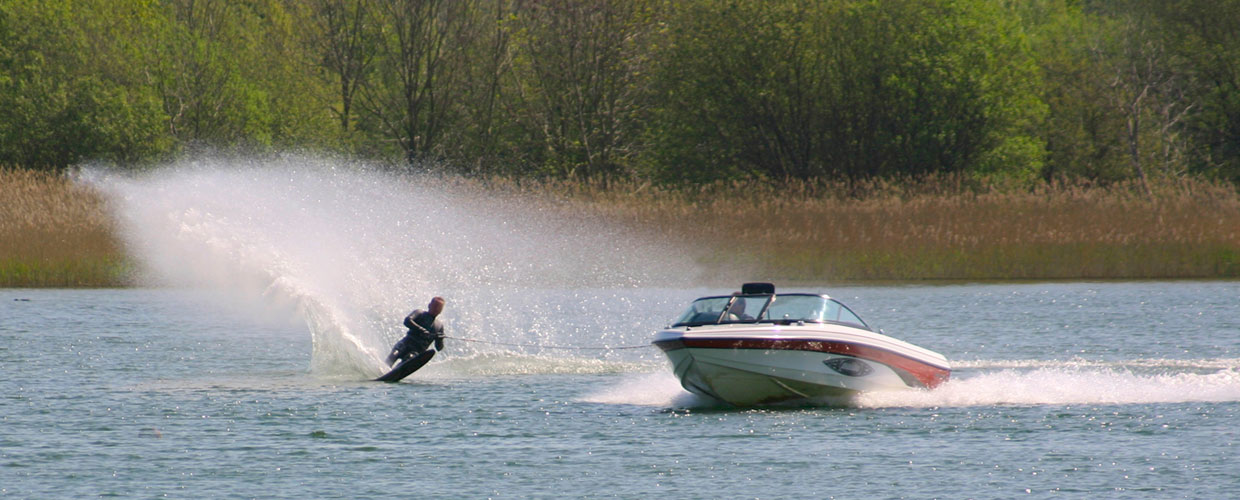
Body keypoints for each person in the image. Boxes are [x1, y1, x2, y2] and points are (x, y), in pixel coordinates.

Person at [386, 296, 446, 366]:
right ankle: (383, 369)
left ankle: (396, 372)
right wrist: (420, 329)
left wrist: (440, 340)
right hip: (405, 344)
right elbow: (407, 321)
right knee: (395, 353)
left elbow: (439, 348)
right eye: (435, 306)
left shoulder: (439, 326)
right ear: (429, 305)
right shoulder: (419, 313)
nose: (436, 309)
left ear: (440, 311)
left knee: (410, 358)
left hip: (417, 351)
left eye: (438, 308)